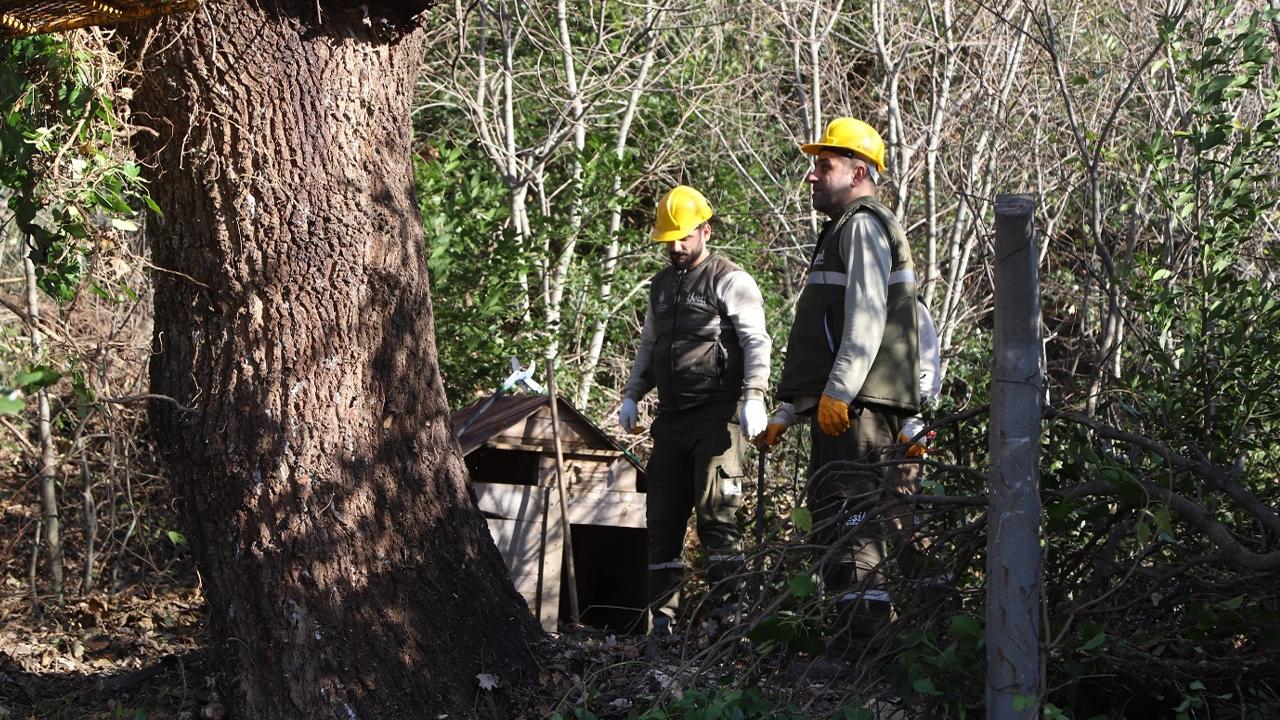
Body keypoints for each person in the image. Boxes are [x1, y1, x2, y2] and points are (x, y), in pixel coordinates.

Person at [756, 117, 920, 667]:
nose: (812, 175)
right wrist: (790, 409)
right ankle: (860, 638)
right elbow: (827, 333)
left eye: (823, 165)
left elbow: (867, 319)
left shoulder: (862, 225)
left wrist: (840, 394)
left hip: (857, 410)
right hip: (844, 408)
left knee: (853, 519)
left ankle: (864, 646)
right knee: (838, 519)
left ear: (859, 171)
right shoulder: (845, 228)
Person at [618, 185, 771, 637]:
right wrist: (631, 393)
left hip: (718, 416)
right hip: (671, 419)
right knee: (661, 520)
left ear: (705, 230)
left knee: (717, 515)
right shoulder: (661, 287)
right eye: (668, 238)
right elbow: (650, 345)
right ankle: (661, 625)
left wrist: (754, 396)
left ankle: (730, 624)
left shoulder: (730, 279)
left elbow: (756, 341)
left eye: (683, 237)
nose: (675, 246)